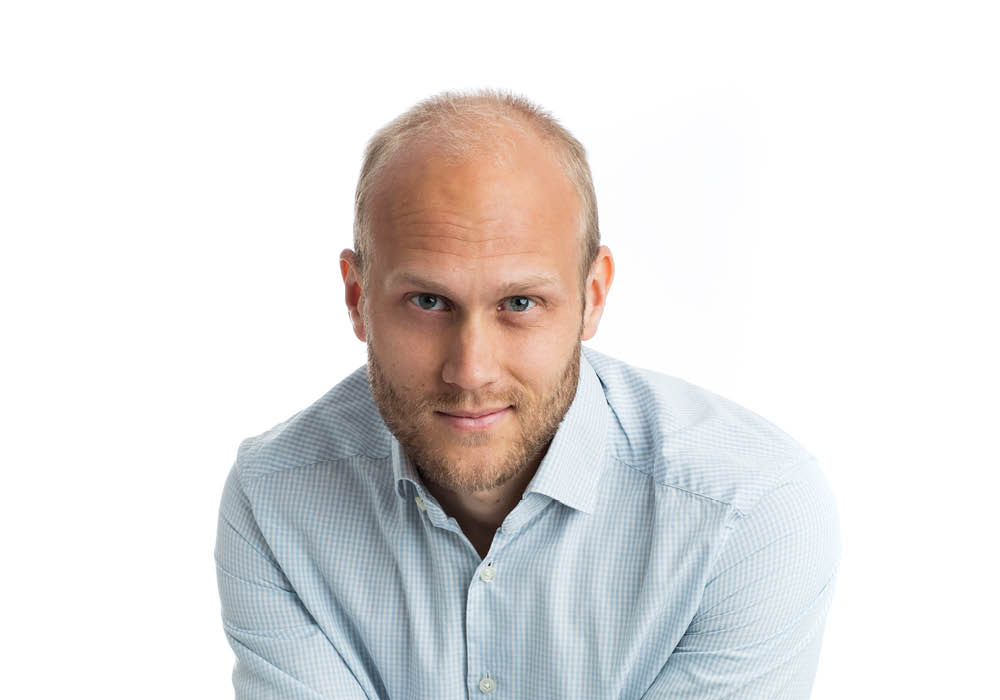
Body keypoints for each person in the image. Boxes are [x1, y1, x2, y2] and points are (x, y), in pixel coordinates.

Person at [214, 89, 841, 699]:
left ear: (593, 296)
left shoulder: (748, 513)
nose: (471, 371)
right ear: (357, 298)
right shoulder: (275, 501)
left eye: (520, 303)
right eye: (428, 301)